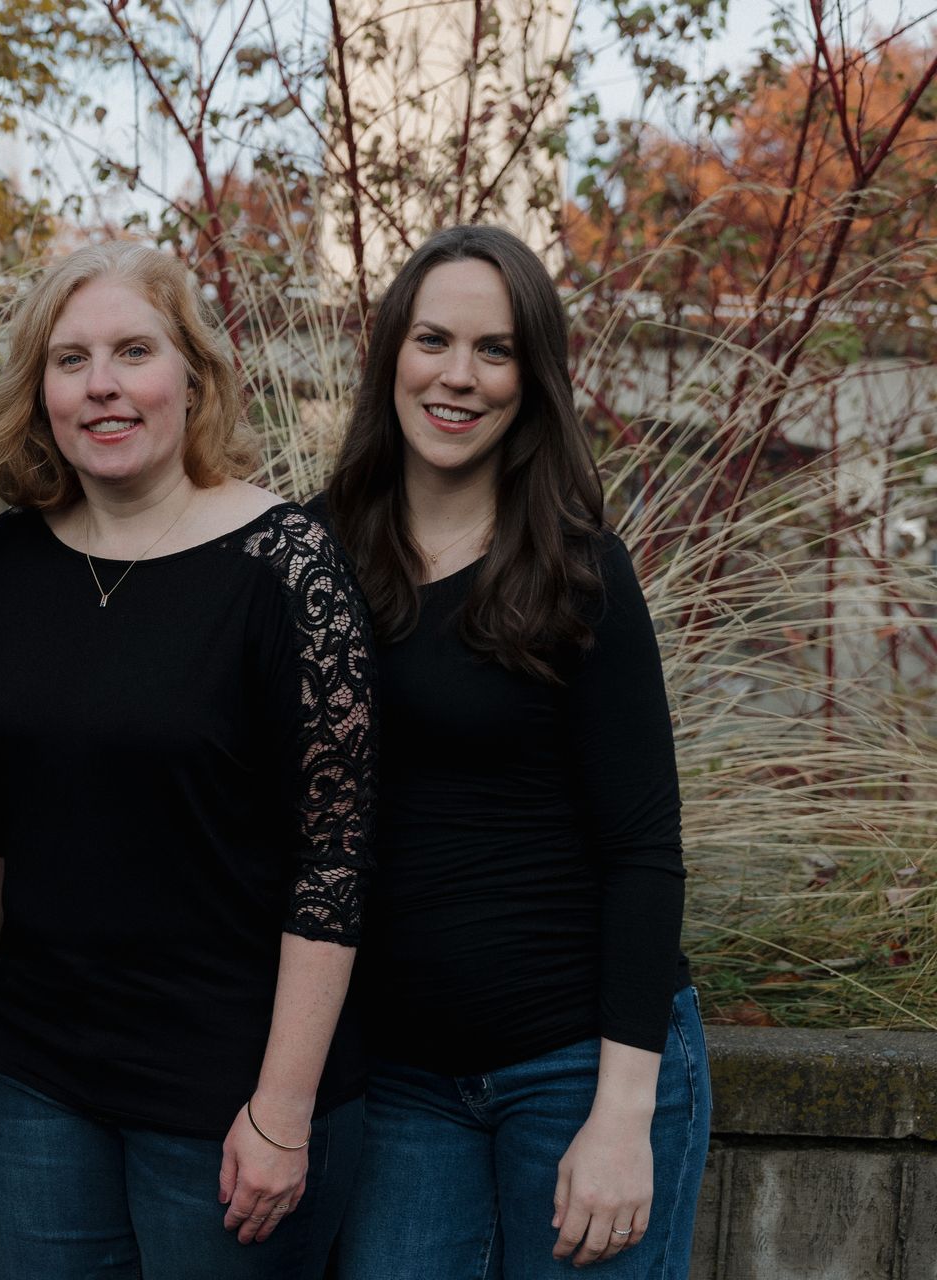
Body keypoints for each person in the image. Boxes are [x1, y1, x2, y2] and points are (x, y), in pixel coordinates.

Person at [0, 240, 378, 1280]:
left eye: (134, 351)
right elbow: (4, 797)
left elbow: (337, 857)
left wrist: (282, 1108)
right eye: (71, 359)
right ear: (40, 391)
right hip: (36, 1078)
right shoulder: (14, 557)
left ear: (194, 374)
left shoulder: (291, 567)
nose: (102, 384)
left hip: (226, 1096)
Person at [320, 225, 710, 1278]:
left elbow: (644, 849)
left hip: (577, 1066)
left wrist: (621, 1117)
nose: (459, 375)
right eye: (433, 340)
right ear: (390, 355)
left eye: (495, 350)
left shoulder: (580, 571)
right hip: (401, 1078)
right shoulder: (316, 556)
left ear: (532, 379)